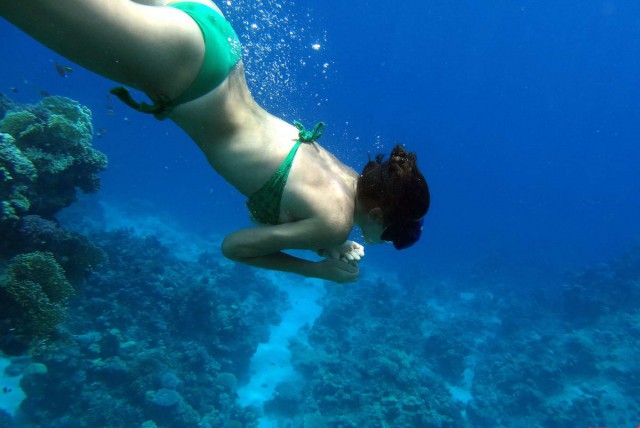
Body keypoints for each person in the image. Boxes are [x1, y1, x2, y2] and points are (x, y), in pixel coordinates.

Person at [0, 0, 430, 283]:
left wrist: (329, 244)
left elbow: (307, 201)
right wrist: (320, 271)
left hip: (218, 40)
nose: (384, 242)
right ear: (378, 212)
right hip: (184, 74)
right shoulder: (335, 222)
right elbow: (235, 247)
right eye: (392, 235)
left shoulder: (348, 178)